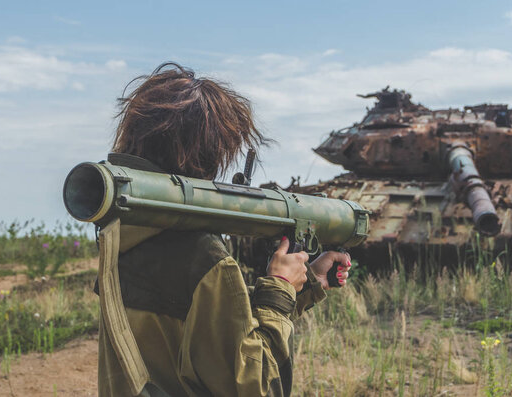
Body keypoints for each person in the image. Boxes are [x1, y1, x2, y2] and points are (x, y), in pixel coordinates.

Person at [97, 62, 352, 397]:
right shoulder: (203, 260)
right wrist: (278, 287)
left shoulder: (123, 234)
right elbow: (257, 387)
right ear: (206, 152)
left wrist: (304, 287)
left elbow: (193, 339)